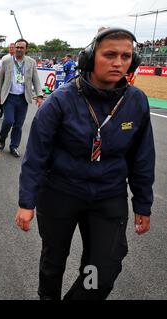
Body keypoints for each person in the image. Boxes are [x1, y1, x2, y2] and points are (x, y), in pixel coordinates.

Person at [15, 28, 155, 300]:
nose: (118, 62)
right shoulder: (60, 101)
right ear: (91, 58)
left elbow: (142, 157)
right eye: (110, 55)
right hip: (60, 192)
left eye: (126, 56)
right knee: (54, 260)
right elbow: (36, 156)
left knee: (100, 272)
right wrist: (26, 202)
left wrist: (143, 203)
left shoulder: (136, 101)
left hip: (108, 195)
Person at [0, 39, 43, 158]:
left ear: (26, 49)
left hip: (23, 98)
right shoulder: (6, 61)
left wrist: (40, 95)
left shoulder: (31, 62)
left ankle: (14, 146)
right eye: (17, 47)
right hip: (9, 97)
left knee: (18, 125)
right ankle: (2, 137)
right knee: (8, 121)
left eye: (22, 47)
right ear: (14, 48)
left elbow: (35, 79)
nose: (19, 49)